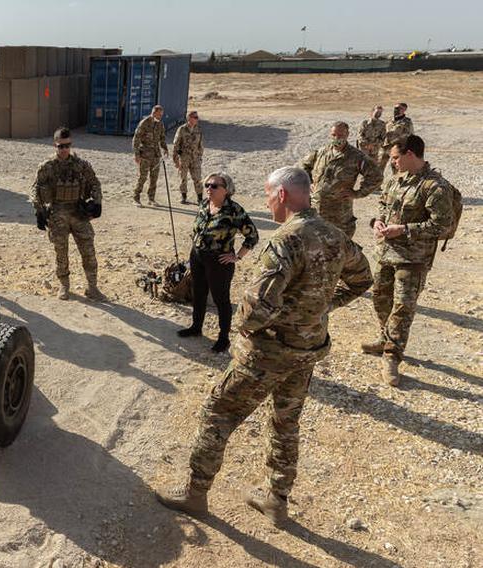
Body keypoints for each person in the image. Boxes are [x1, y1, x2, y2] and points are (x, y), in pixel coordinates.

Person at [156, 166, 372, 525]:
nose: (267, 202)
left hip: (268, 352)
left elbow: (256, 309)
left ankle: (195, 494)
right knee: (286, 423)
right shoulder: (335, 236)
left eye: (269, 195)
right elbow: (363, 277)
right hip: (307, 351)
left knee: (218, 412)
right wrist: (322, 307)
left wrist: (244, 327)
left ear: (283, 195)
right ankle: (276, 500)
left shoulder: (285, 240)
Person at [363, 135, 456, 386]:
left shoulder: (436, 187)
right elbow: (383, 204)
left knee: (402, 307)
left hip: (413, 258)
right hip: (386, 253)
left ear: (410, 154)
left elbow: (441, 224)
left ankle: (392, 356)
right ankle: (385, 339)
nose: (392, 162)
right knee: (381, 298)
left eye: (395, 157)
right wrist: (377, 222)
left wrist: (404, 229)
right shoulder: (395, 180)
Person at [176, 172, 259, 352]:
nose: (208, 189)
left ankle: (223, 338)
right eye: (207, 185)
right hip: (197, 256)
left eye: (214, 186)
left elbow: (252, 236)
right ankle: (196, 327)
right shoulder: (205, 204)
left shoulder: (234, 210)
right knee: (198, 293)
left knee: (221, 299)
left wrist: (237, 256)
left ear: (226, 190)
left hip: (219, 261)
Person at [31, 127, 105, 301]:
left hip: (78, 212)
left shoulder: (81, 165)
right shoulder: (47, 167)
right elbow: (35, 188)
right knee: (61, 253)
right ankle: (64, 285)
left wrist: (97, 202)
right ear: (55, 145)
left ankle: (92, 287)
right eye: (60, 146)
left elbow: (95, 183)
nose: (64, 150)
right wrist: (39, 210)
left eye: (67, 146)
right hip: (57, 214)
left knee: (88, 251)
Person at [300, 121, 383, 238]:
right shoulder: (321, 152)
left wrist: (358, 193)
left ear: (347, 134)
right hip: (316, 211)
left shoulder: (356, 156)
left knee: (339, 248)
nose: (336, 138)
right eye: (334, 135)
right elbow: (304, 166)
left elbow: (376, 176)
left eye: (340, 135)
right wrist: (309, 183)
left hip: (339, 215)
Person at [132, 105, 168, 206]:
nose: (160, 116)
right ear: (154, 112)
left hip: (156, 155)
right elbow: (136, 139)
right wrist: (136, 154)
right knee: (143, 177)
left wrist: (165, 149)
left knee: (154, 178)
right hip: (145, 155)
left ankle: (151, 199)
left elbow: (162, 138)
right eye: (159, 114)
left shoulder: (160, 124)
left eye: (161, 115)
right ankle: (136, 198)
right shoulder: (144, 123)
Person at [172, 110, 204, 204]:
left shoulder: (198, 129)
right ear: (189, 118)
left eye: (197, 117)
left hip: (195, 158)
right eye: (195, 117)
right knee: (183, 178)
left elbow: (200, 144)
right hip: (184, 158)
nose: (197, 119)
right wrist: (176, 160)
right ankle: (184, 197)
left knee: (197, 178)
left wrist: (200, 156)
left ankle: (200, 199)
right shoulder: (182, 129)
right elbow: (176, 144)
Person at [380, 103, 414, 173]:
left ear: (404, 110)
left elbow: (409, 135)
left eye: (398, 108)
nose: (396, 110)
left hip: (397, 148)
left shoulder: (407, 122)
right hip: (386, 147)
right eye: (395, 108)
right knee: (379, 167)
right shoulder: (389, 121)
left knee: (396, 168)